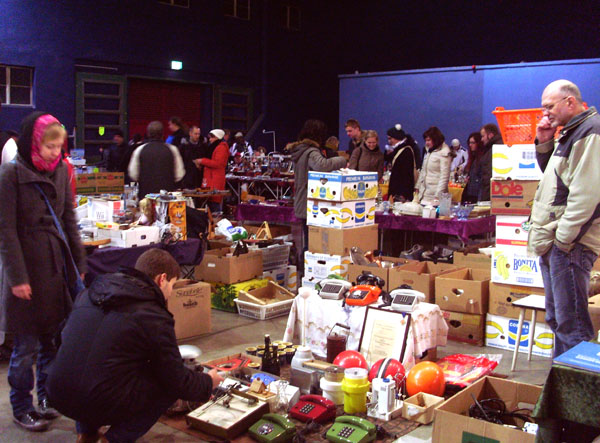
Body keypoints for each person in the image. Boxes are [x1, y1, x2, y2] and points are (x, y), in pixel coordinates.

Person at [46, 249, 223, 442]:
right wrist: (207, 382)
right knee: (165, 388)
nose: (170, 294)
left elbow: (60, 340)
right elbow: (175, 380)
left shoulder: (88, 294)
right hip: (95, 399)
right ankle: (113, 439)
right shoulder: (153, 315)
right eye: (172, 285)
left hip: (58, 392)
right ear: (162, 279)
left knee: (90, 371)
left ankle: (87, 434)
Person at [0, 112, 86, 432]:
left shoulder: (60, 171)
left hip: (55, 268)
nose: (55, 153)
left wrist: (78, 268)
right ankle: (21, 406)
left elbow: (68, 220)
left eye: (59, 147)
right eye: (49, 146)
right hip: (25, 270)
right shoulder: (10, 174)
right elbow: (6, 230)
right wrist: (18, 277)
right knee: (25, 347)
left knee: (52, 339)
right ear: (34, 142)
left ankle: (46, 397)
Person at [529, 79, 600, 356]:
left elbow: (588, 196)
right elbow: (558, 179)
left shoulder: (590, 132)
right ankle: (561, 389)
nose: (545, 114)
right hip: (557, 242)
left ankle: (582, 395)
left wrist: (563, 241)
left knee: (572, 325)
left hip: (569, 245)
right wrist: (545, 142)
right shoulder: (571, 132)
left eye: (549, 107)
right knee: (559, 320)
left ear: (570, 102)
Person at [286, 119, 346, 251]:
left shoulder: (300, 151)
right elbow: (322, 166)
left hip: (302, 200)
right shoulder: (311, 151)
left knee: (309, 240)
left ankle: (305, 268)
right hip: (311, 203)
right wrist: (342, 160)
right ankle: (309, 269)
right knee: (314, 244)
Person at [128, 121, 185, 200]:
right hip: (167, 198)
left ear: (148, 134)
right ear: (162, 134)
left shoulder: (139, 150)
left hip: (145, 198)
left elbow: (133, 174)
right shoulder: (173, 150)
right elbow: (179, 175)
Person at [416, 126, 453, 205]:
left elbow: (444, 176)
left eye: (429, 140)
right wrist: (417, 187)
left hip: (435, 197)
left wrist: (437, 196)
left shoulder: (445, 152)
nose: (426, 143)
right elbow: (423, 171)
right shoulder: (428, 151)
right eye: (425, 140)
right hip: (424, 195)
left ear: (435, 139)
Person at [194, 129, 229, 213]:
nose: (210, 139)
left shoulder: (221, 148)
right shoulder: (215, 147)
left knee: (214, 205)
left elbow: (218, 163)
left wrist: (202, 161)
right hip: (210, 179)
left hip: (215, 179)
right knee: (210, 204)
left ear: (217, 137)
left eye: (212, 137)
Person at [385, 123, 418, 202]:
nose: (389, 141)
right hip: (398, 190)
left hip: (401, 193)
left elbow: (406, 175)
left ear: (397, 138)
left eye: (390, 138)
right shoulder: (398, 150)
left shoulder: (406, 151)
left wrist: (403, 195)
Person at [478, 123, 503, 201]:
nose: (481, 139)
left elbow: (488, 174)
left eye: (483, 136)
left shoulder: (495, 149)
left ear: (490, 135)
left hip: (491, 193)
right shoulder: (493, 148)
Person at [461, 132, 484, 203]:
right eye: (469, 143)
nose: (470, 145)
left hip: (476, 194)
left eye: (473, 143)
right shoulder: (472, 158)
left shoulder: (481, 159)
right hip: (470, 192)